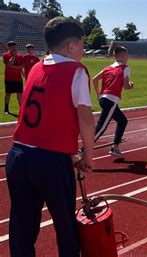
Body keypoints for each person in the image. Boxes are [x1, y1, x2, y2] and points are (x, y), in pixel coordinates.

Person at [6, 17, 95, 257]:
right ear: (72, 46)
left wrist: (71, 152)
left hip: (18, 155)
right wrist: (88, 154)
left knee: (22, 228)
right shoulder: (75, 71)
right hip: (50, 162)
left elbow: (45, 116)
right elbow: (85, 117)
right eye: (83, 44)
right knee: (66, 226)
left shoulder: (36, 68)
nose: (84, 50)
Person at [91, 46, 133, 157]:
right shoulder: (125, 68)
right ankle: (84, 149)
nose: (128, 58)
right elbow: (126, 86)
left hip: (104, 98)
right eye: (127, 56)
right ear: (123, 56)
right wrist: (131, 85)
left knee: (122, 121)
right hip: (111, 100)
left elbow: (94, 79)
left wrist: (98, 94)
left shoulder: (108, 68)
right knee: (102, 126)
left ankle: (115, 147)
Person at [2, 41, 24, 114]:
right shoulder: (5, 55)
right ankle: (6, 109)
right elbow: (8, 64)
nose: (14, 48)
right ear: (9, 47)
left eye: (15, 46)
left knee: (19, 93)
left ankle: (21, 108)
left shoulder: (20, 56)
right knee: (8, 93)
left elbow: (22, 66)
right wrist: (13, 56)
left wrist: (12, 67)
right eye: (12, 47)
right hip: (9, 78)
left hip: (18, 78)